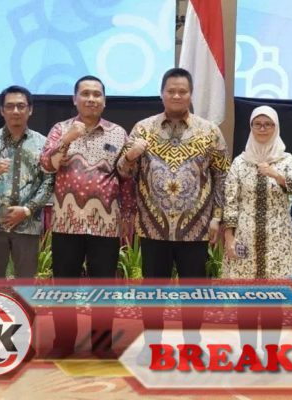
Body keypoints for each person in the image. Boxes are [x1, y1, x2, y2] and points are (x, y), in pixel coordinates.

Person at [117, 67, 230, 346]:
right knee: (152, 292)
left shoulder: (209, 131)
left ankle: (192, 344)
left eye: (182, 91)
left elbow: (222, 176)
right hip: (153, 227)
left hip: (196, 228)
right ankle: (152, 345)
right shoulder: (143, 129)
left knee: (194, 292)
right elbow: (122, 172)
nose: (177, 96)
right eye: (171, 91)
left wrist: (217, 217)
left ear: (191, 94)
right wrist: (130, 156)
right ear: (162, 94)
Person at [40, 75, 134, 358]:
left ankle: (102, 344)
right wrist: (67, 140)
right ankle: (63, 342)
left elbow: (126, 177)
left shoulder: (118, 133)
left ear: (104, 101)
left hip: (105, 223)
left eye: (97, 94)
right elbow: (46, 164)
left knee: (103, 287)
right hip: (67, 221)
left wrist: (128, 214)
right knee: (64, 286)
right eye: (85, 93)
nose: (91, 99)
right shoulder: (60, 129)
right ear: (75, 99)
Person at [223, 105, 292, 351]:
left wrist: (275, 174)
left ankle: (270, 353)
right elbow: (230, 201)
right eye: (257, 124)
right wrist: (229, 238)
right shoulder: (240, 162)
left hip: (277, 239)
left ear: (275, 127)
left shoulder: (287, 160)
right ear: (251, 127)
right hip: (245, 237)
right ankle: (247, 352)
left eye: (268, 124)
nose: (262, 129)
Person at [0, 85, 53, 278]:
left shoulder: (43, 143)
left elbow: (49, 182)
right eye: (10, 106)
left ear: (30, 110)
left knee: (26, 284)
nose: (15, 111)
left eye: (21, 106)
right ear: (2, 110)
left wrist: (27, 210)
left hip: (27, 225)